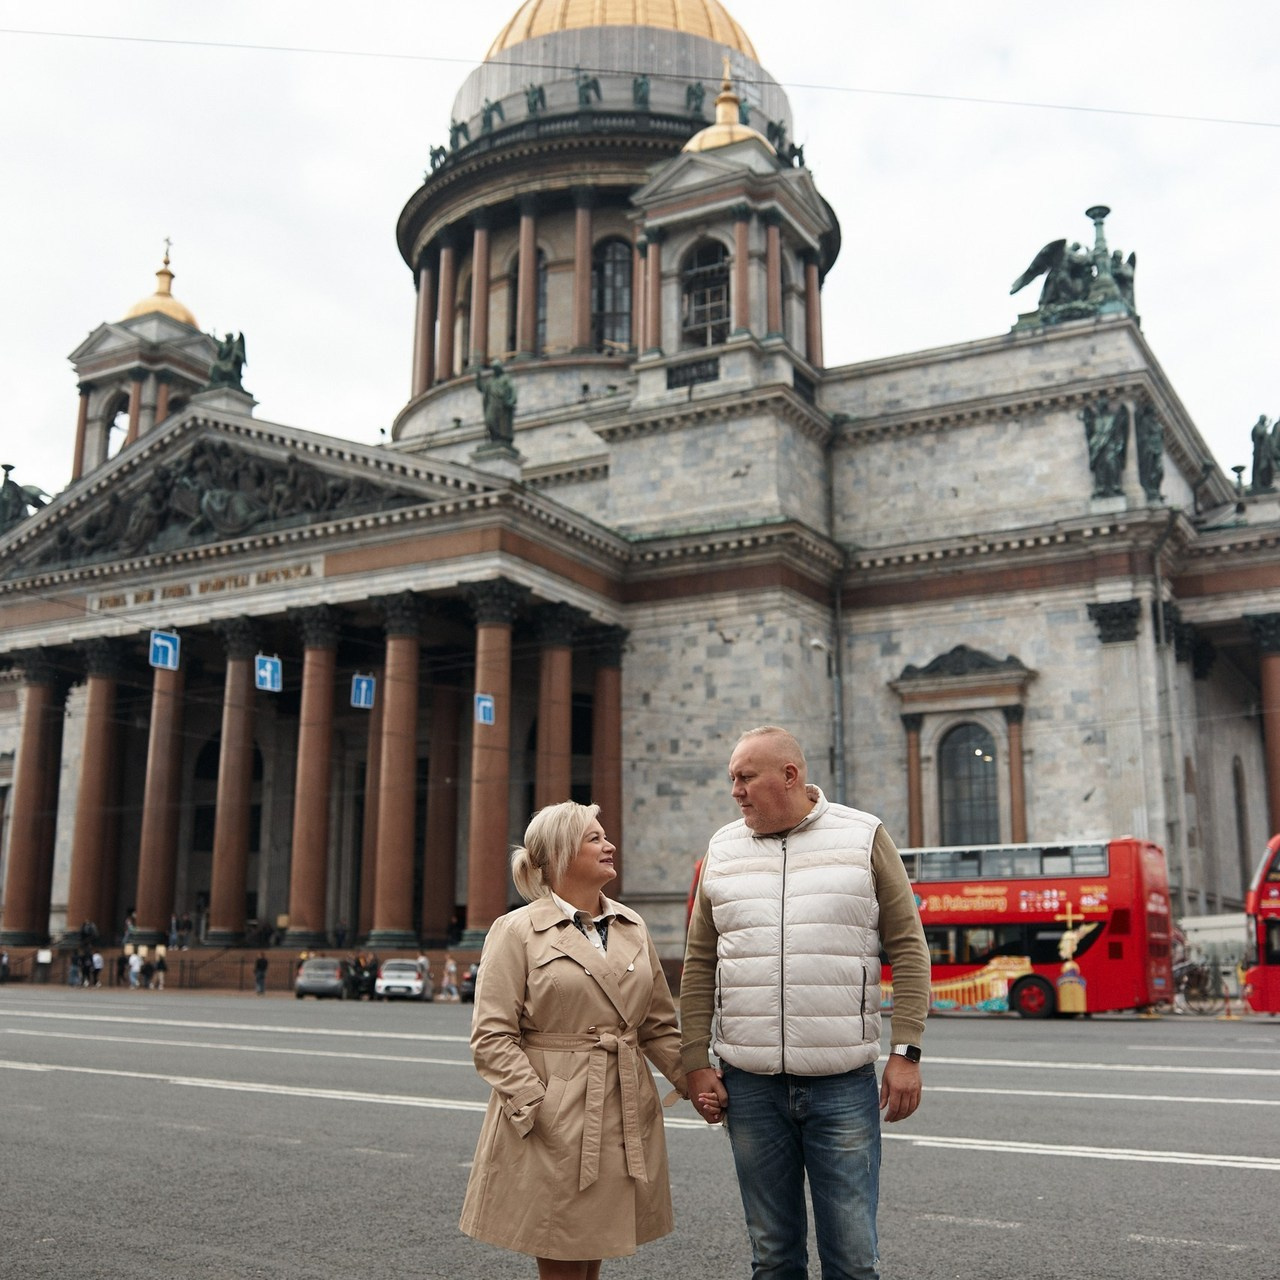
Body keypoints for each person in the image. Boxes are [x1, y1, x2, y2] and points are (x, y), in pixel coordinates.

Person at [681, 726, 932, 1280]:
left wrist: (906, 1052)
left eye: (745, 777)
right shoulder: (722, 848)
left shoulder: (863, 836)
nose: (735, 791)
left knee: (851, 1258)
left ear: (789, 776)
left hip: (841, 1080)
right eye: (732, 779)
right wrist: (695, 1062)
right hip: (748, 1083)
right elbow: (699, 962)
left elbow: (910, 949)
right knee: (772, 1256)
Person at [459, 801, 688, 1279]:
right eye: (595, 838)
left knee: (591, 1247)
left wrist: (701, 1082)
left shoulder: (632, 924)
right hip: (556, 1110)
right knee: (562, 1250)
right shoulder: (516, 930)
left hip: (623, 1102)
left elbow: (658, 1026)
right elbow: (492, 1036)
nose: (610, 845)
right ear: (562, 854)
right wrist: (538, 1105)